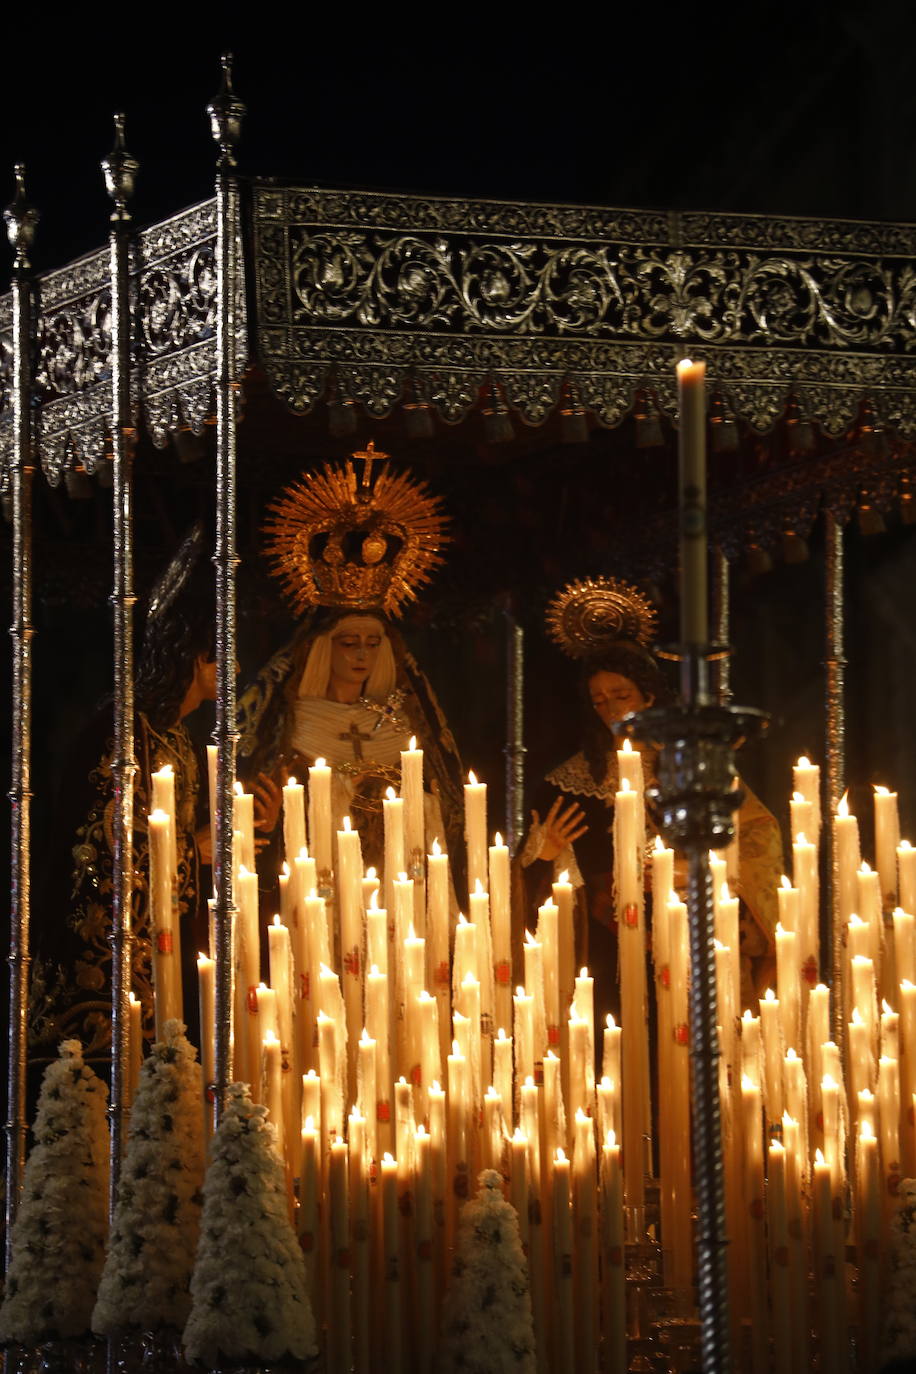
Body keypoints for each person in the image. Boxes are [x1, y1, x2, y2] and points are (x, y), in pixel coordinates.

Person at [516, 577, 783, 1014]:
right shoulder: (566, 784)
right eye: (599, 700)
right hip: (606, 958)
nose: (612, 709)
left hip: (694, 937)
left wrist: (689, 870)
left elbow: (755, 837)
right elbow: (530, 881)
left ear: (649, 695)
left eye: (621, 695)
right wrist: (543, 854)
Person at [237, 444, 466, 892]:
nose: (362, 655)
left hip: (399, 885)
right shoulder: (289, 723)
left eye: (372, 644)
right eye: (349, 643)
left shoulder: (402, 722)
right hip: (313, 889)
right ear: (324, 649)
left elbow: (449, 808)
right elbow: (258, 819)